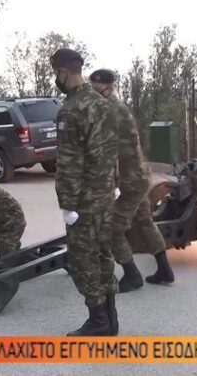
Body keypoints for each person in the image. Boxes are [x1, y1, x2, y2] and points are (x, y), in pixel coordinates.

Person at [51, 48, 119, 336]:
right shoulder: (104, 104)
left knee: (83, 260)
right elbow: (113, 148)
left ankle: (99, 322)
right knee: (104, 254)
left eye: (56, 73)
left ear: (63, 72)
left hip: (84, 201)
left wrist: (67, 205)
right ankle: (111, 319)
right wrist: (115, 183)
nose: (56, 79)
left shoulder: (71, 110)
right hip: (106, 195)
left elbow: (69, 161)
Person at [89, 68, 174, 292]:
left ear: (108, 87)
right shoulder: (116, 107)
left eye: (96, 89)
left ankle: (132, 274)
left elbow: (107, 151)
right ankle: (164, 269)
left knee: (113, 230)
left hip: (130, 182)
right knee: (145, 222)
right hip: (139, 176)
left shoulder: (110, 111)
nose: (93, 93)